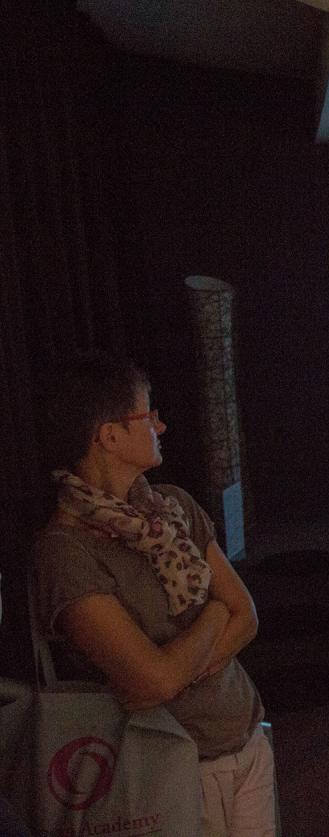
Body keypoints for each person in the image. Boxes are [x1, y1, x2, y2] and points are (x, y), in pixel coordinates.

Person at [31, 353, 275, 836]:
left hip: (247, 742)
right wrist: (213, 614)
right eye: (149, 415)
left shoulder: (175, 507)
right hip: (168, 772)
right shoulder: (65, 550)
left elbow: (246, 614)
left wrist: (183, 662)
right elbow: (154, 681)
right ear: (109, 436)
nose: (161, 426)